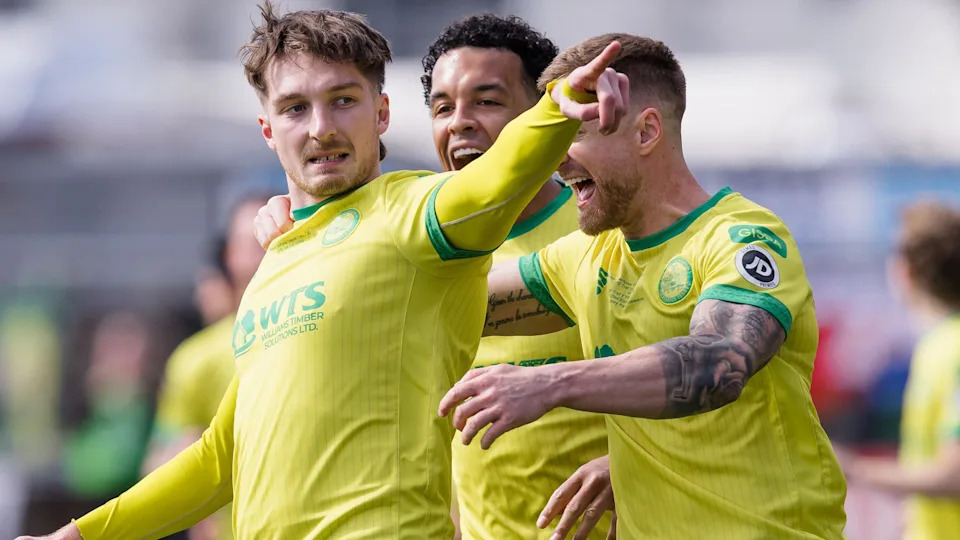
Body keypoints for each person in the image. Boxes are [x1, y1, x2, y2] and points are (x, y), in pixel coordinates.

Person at [17, 2, 627, 538]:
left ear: (381, 112)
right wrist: (80, 536)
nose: (321, 128)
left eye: (343, 100)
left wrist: (558, 108)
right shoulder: (273, 262)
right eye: (294, 108)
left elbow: (497, 177)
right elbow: (220, 458)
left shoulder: (416, 213)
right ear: (267, 129)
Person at [436, 34, 847, 538]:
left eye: (574, 136)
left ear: (647, 131)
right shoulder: (586, 255)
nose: (556, 161)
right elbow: (444, 303)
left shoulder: (742, 236)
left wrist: (552, 383)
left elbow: (718, 364)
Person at [256, 15, 612, 539]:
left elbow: (695, 376)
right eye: (443, 107)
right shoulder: (411, 242)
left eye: (487, 102)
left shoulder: (601, 230)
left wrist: (625, 463)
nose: (460, 122)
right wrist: (306, 239)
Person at [141, 194, 270, 540]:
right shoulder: (196, 358)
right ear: (229, 256)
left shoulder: (328, 325)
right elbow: (160, 463)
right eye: (252, 238)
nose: (268, 240)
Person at [841, 202, 960, 539]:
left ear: (904, 270)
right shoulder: (935, 347)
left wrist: (852, 467)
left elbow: (954, 477)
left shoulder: (952, 350)